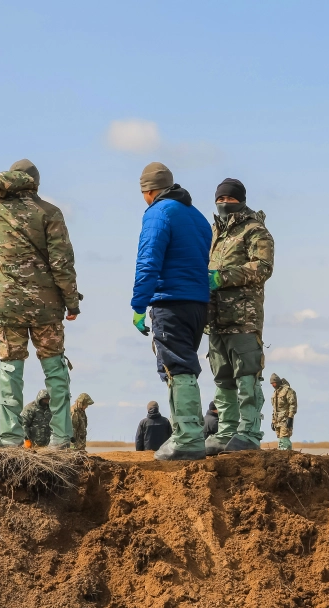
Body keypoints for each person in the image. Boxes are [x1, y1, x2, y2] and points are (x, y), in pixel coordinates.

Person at [0, 158, 81, 449]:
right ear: (35, 183)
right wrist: (72, 302)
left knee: (9, 368)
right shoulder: (50, 212)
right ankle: (62, 437)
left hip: (5, 302)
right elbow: (62, 263)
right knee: (54, 368)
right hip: (45, 304)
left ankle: (9, 436)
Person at [129, 162, 212, 461]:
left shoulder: (158, 213)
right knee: (182, 366)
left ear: (148, 191)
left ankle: (188, 438)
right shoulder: (197, 216)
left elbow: (148, 261)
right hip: (198, 304)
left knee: (178, 368)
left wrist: (139, 305)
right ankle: (183, 434)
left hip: (171, 301)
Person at [204, 178, 275, 456]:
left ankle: (249, 432)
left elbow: (263, 267)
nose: (224, 204)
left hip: (244, 316)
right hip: (215, 318)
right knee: (222, 378)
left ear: (241, 200)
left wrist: (223, 277)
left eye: (229, 200)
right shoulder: (213, 232)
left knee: (246, 375)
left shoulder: (255, 230)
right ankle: (227, 431)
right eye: (220, 199)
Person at [270, 373, 297, 451]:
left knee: (284, 437)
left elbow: (292, 404)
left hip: (285, 419)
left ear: (278, 382)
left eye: (274, 383)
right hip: (277, 420)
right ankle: (282, 453)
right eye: (271, 384)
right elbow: (274, 409)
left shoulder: (288, 390)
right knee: (280, 438)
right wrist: (273, 421)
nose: (273, 385)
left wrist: (290, 417)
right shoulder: (275, 393)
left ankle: (286, 454)